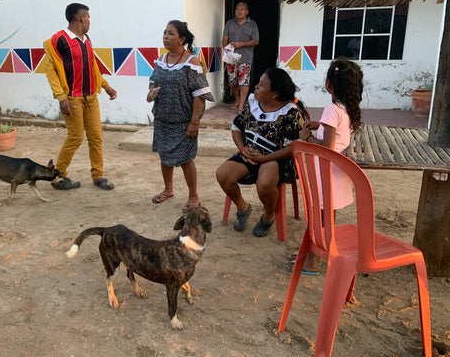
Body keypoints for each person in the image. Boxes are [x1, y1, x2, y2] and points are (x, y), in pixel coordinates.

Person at [286, 58, 363, 274]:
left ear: (329, 83)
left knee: (318, 220)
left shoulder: (331, 108)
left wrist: (308, 138)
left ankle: (311, 261)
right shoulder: (348, 108)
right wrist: (319, 125)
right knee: (327, 218)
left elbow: (326, 146)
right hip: (337, 173)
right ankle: (319, 252)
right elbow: (336, 133)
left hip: (324, 174)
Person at [216, 68, 308, 237]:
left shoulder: (292, 113)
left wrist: (265, 158)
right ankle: (243, 207)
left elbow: (293, 148)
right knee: (222, 174)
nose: (255, 87)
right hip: (250, 154)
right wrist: (243, 149)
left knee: (264, 183)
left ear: (274, 94)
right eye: (258, 83)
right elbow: (236, 127)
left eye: (261, 85)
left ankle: (268, 215)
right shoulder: (252, 103)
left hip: (277, 158)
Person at [44, 3, 117, 191]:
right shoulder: (59, 39)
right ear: (80, 18)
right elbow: (50, 70)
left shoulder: (86, 40)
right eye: (89, 18)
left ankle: (98, 175)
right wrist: (61, 97)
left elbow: (92, 68)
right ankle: (58, 175)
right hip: (72, 98)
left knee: (96, 137)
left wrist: (106, 87)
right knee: (75, 137)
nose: (90, 21)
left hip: (90, 97)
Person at [147, 20, 214, 211]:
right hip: (163, 119)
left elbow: (199, 94)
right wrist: (153, 93)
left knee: (186, 159)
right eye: (164, 33)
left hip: (184, 121)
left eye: (170, 34)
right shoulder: (160, 61)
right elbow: (150, 91)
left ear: (182, 39)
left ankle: (194, 196)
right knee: (164, 156)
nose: (165, 37)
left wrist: (194, 122)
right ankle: (168, 190)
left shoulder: (191, 62)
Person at [222, 2, 259, 112]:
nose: (239, 11)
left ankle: (241, 104)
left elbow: (256, 41)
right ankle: (237, 99)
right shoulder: (229, 23)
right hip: (231, 58)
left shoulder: (252, 24)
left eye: (242, 9)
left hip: (245, 57)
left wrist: (241, 44)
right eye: (237, 9)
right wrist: (227, 49)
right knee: (233, 81)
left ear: (246, 12)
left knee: (244, 81)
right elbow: (224, 39)